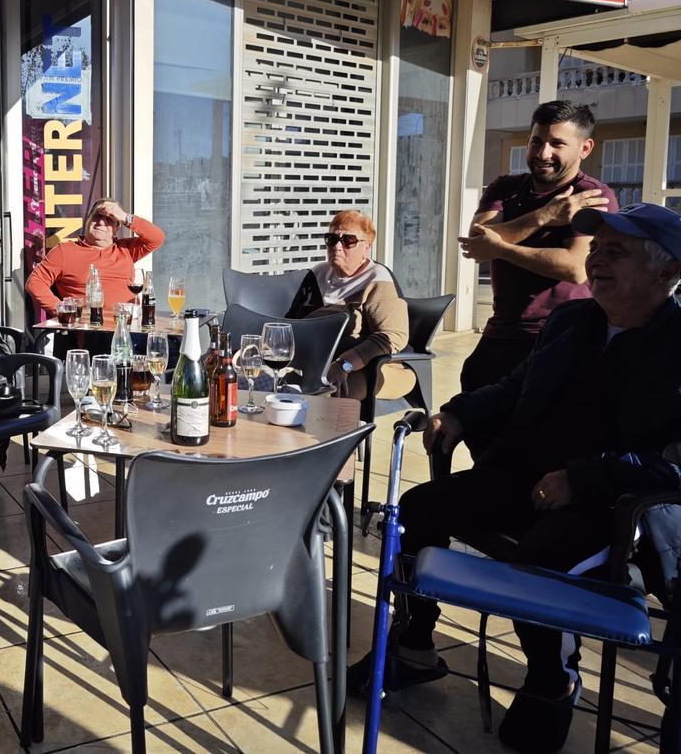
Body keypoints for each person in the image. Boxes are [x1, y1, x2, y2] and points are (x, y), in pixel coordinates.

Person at [350, 202, 681, 754]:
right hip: (524, 476)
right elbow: (513, 388)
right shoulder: (572, 320)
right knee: (418, 511)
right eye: (596, 249)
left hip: (616, 507)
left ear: (667, 269)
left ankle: (552, 680)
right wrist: (459, 412)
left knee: (540, 561)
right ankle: (413, 645)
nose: (597, 261)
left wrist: (583, 479)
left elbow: (673, 463)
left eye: (617, 252)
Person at [458, 100, 616, 396]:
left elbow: (575, 268)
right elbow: (476, 244)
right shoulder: (506, 188)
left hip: (562, 336)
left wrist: (501, 248)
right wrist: (544, 216)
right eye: (536, 142)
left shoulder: (591, 195)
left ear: (585, 148)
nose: (543, 153)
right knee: (474, 404)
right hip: (502, 331)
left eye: (557, 144)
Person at [288, 210, 410, 400]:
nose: (337, 246)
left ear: (366, 247)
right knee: (271, 389)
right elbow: (292, 321)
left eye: (348, 240)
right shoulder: (317, 274)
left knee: (336, 394)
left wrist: (345, 364)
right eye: (331, 239)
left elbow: (393, 335)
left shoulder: (377, 279)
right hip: (315, 363)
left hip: (375, 366)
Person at [25, 198, 165, 317]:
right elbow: (35, 282)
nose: (101, 222)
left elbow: (157, 238)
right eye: (97, 216)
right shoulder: (65, 251)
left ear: (117, 228)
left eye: (109, 219)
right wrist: (61, 309)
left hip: (129, 324)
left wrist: (124, 216)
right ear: (88, 220)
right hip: (90, 328)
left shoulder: (126, 249)